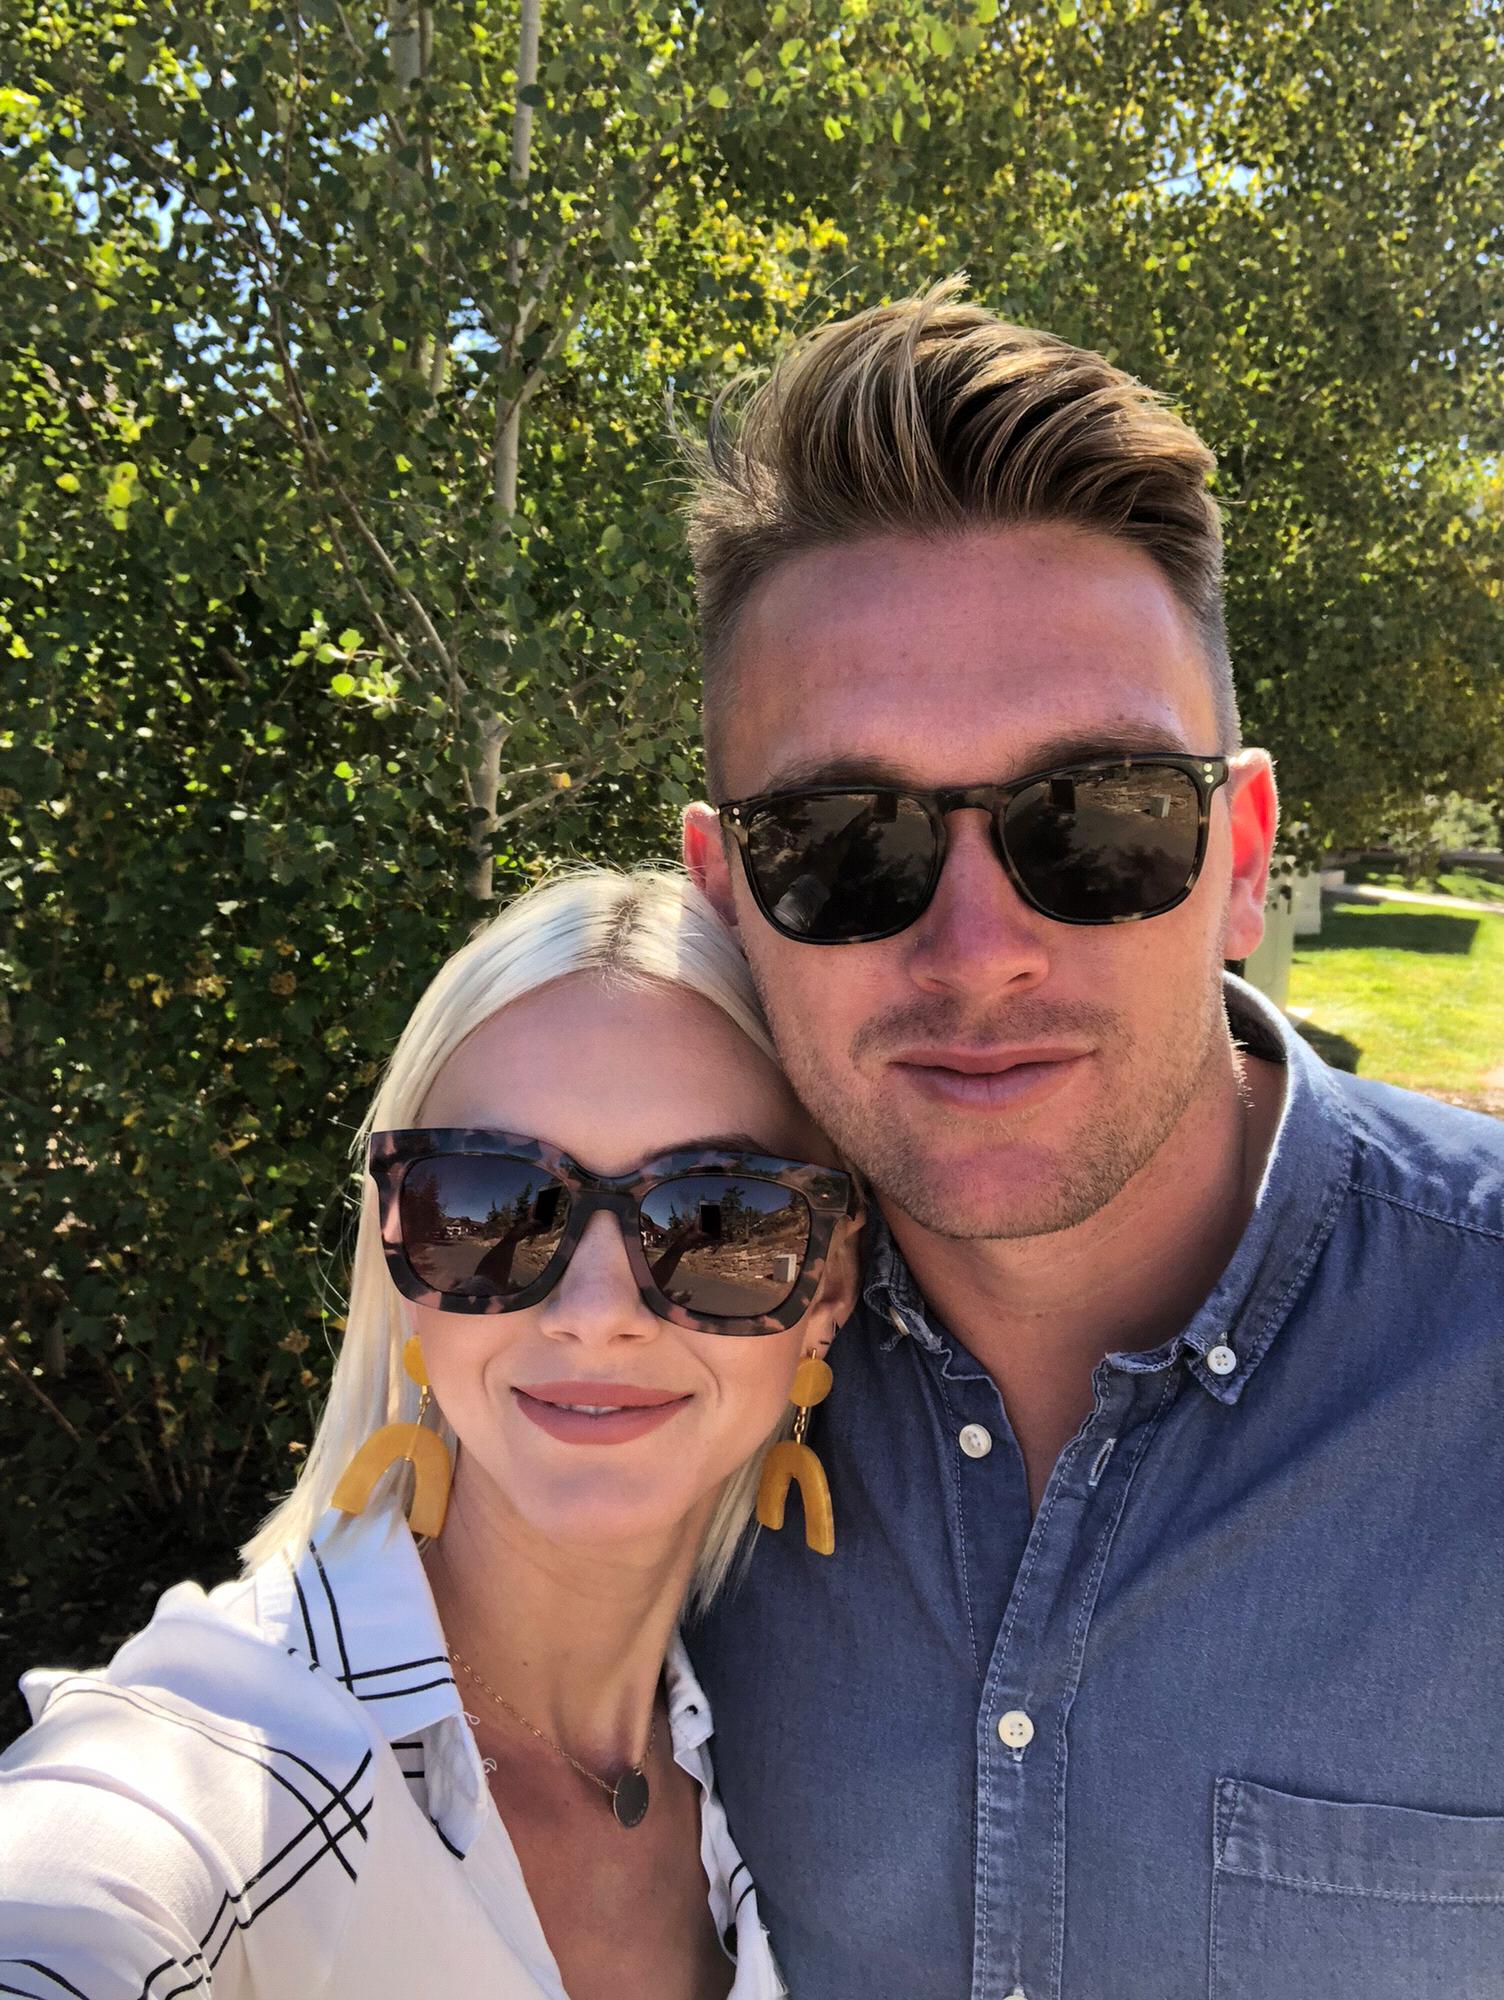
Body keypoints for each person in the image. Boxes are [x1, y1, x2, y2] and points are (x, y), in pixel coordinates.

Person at [680, 280, 1504, 2000]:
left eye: (1100, 821)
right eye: (845, 841)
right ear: (728, 896)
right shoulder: (637, 1367)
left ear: (1242, 857)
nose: (979, 952)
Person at [0, 868, 861, 2000]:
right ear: (400, 1258)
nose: (595, 1311)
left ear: (826, 1286)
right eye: (490, 1207)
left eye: (717, 1217)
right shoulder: (228, 1757)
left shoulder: (782, 1756)